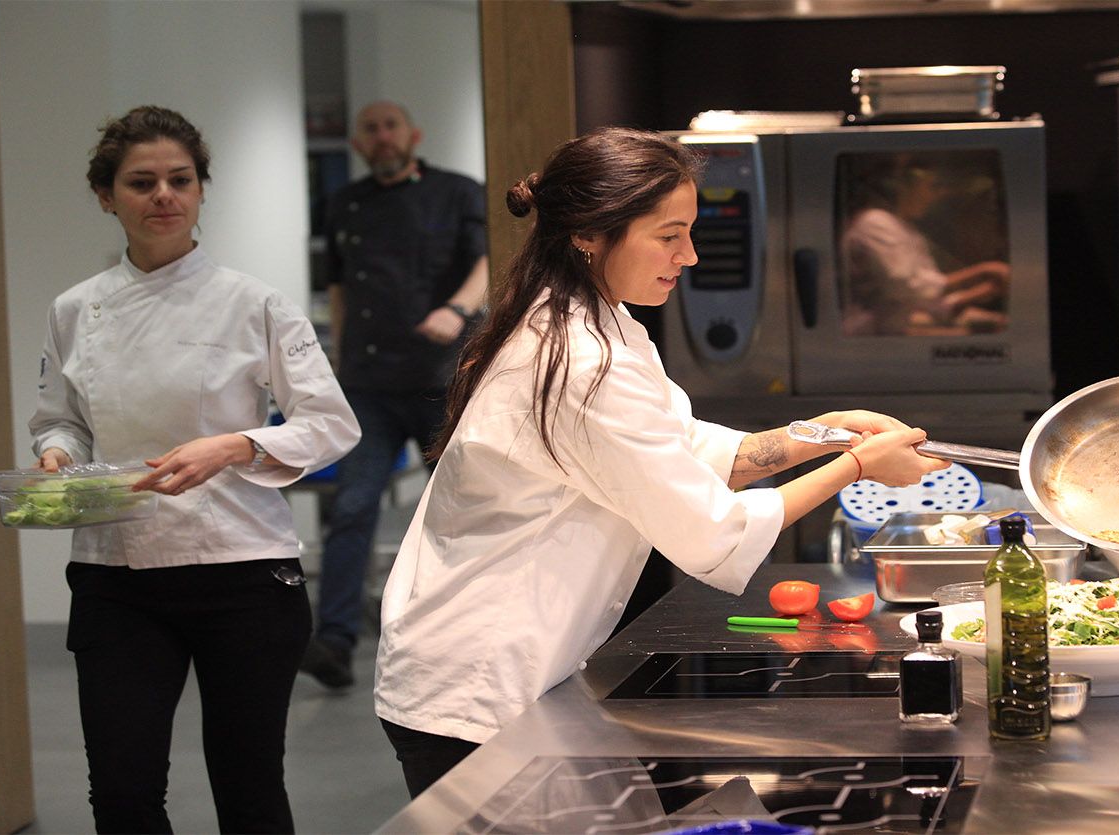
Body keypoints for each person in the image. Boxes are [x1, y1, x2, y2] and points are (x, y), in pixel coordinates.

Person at [372, 126, 950, 798]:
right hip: (473, 683)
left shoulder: (606, 325)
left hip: (517, 665)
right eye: (669, 235)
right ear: (589, 233)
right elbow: (713, 528)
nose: (691, 255)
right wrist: (857, 466)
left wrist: (822, 432)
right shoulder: (577, 361)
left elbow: (691, 454)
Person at [28, 105, 360, 833]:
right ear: (106, 196)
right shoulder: (75, 309)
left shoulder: (256, 304)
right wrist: (57, 456)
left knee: (248, 789)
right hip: (116, 574)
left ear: (202, 190)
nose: (163, 196)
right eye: (141, 182)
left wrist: (234, 445)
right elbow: (63, 417)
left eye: (180, 179)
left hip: (242, 571)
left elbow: (331, 424)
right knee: (122, 791)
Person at [301, 100, 489, 689]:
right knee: (353, 508)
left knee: (462, 511)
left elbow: (489, 262)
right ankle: (333, 641)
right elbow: (339, 288)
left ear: (413, 134)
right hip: (368, 384)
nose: (381, 138)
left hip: (443, 379)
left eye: (390, 127)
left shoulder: (459, 192)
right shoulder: (344, 205)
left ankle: (461, 635)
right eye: (370, 130)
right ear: (358, 143)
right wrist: (336, 361)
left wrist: (458, 309)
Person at [839, 155, 1011, 336]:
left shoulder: (909, 231)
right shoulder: (875, 222)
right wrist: (982, 271)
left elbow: (927, 304)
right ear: (903, 187)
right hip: (868, 338)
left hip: (893, 333)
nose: (936, 197)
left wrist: (983, 294)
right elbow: (905, 287)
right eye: (932, 187)